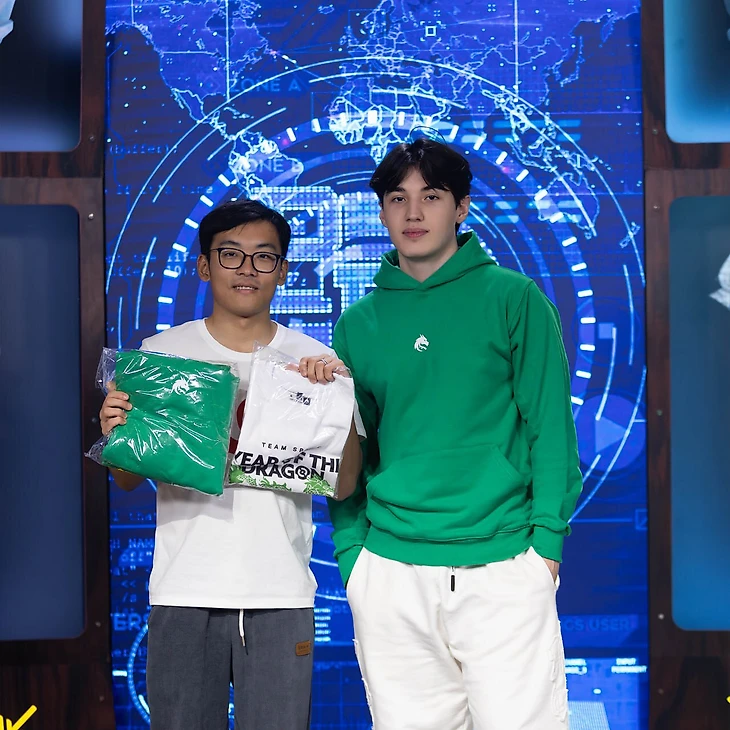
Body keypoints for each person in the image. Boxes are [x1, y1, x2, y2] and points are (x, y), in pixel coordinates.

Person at [301, 137, 583, 730]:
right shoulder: (358, 323)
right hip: (390, 571)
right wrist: (353, 557)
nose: (413, 212)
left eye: (431, 196)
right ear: (381, 211)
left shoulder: (514, 298)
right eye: (397, 198)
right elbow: (352, 452)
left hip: (504, 564)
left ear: (461, 207)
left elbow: (551, 432)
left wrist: (545, 552)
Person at [99, 199, 362, 730]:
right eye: (230, 254)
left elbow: (345, 483)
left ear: (282, 271)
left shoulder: (312, 359)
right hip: (183, 588)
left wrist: (338, 397)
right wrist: (114, 434)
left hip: (280, 591)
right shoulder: (160, 354)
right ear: (204, 265)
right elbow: (126, 479)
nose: (247, 269)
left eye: (264, 257)